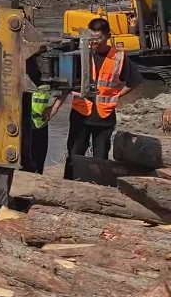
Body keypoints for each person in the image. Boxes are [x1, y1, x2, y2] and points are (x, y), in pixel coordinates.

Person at [48, 17, 141, 179]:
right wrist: (54, 108)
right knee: (74, 155)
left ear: (108, 36)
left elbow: (134, 81)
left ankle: (99, 188)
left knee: (101, 160)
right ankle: (70, 186)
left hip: (104, 118)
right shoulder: (81, 56)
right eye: (91, 37)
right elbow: (67, 86)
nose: (95, 42)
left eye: (98, 37)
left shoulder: (118, 58)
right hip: (80, 115)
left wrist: (116, 95)